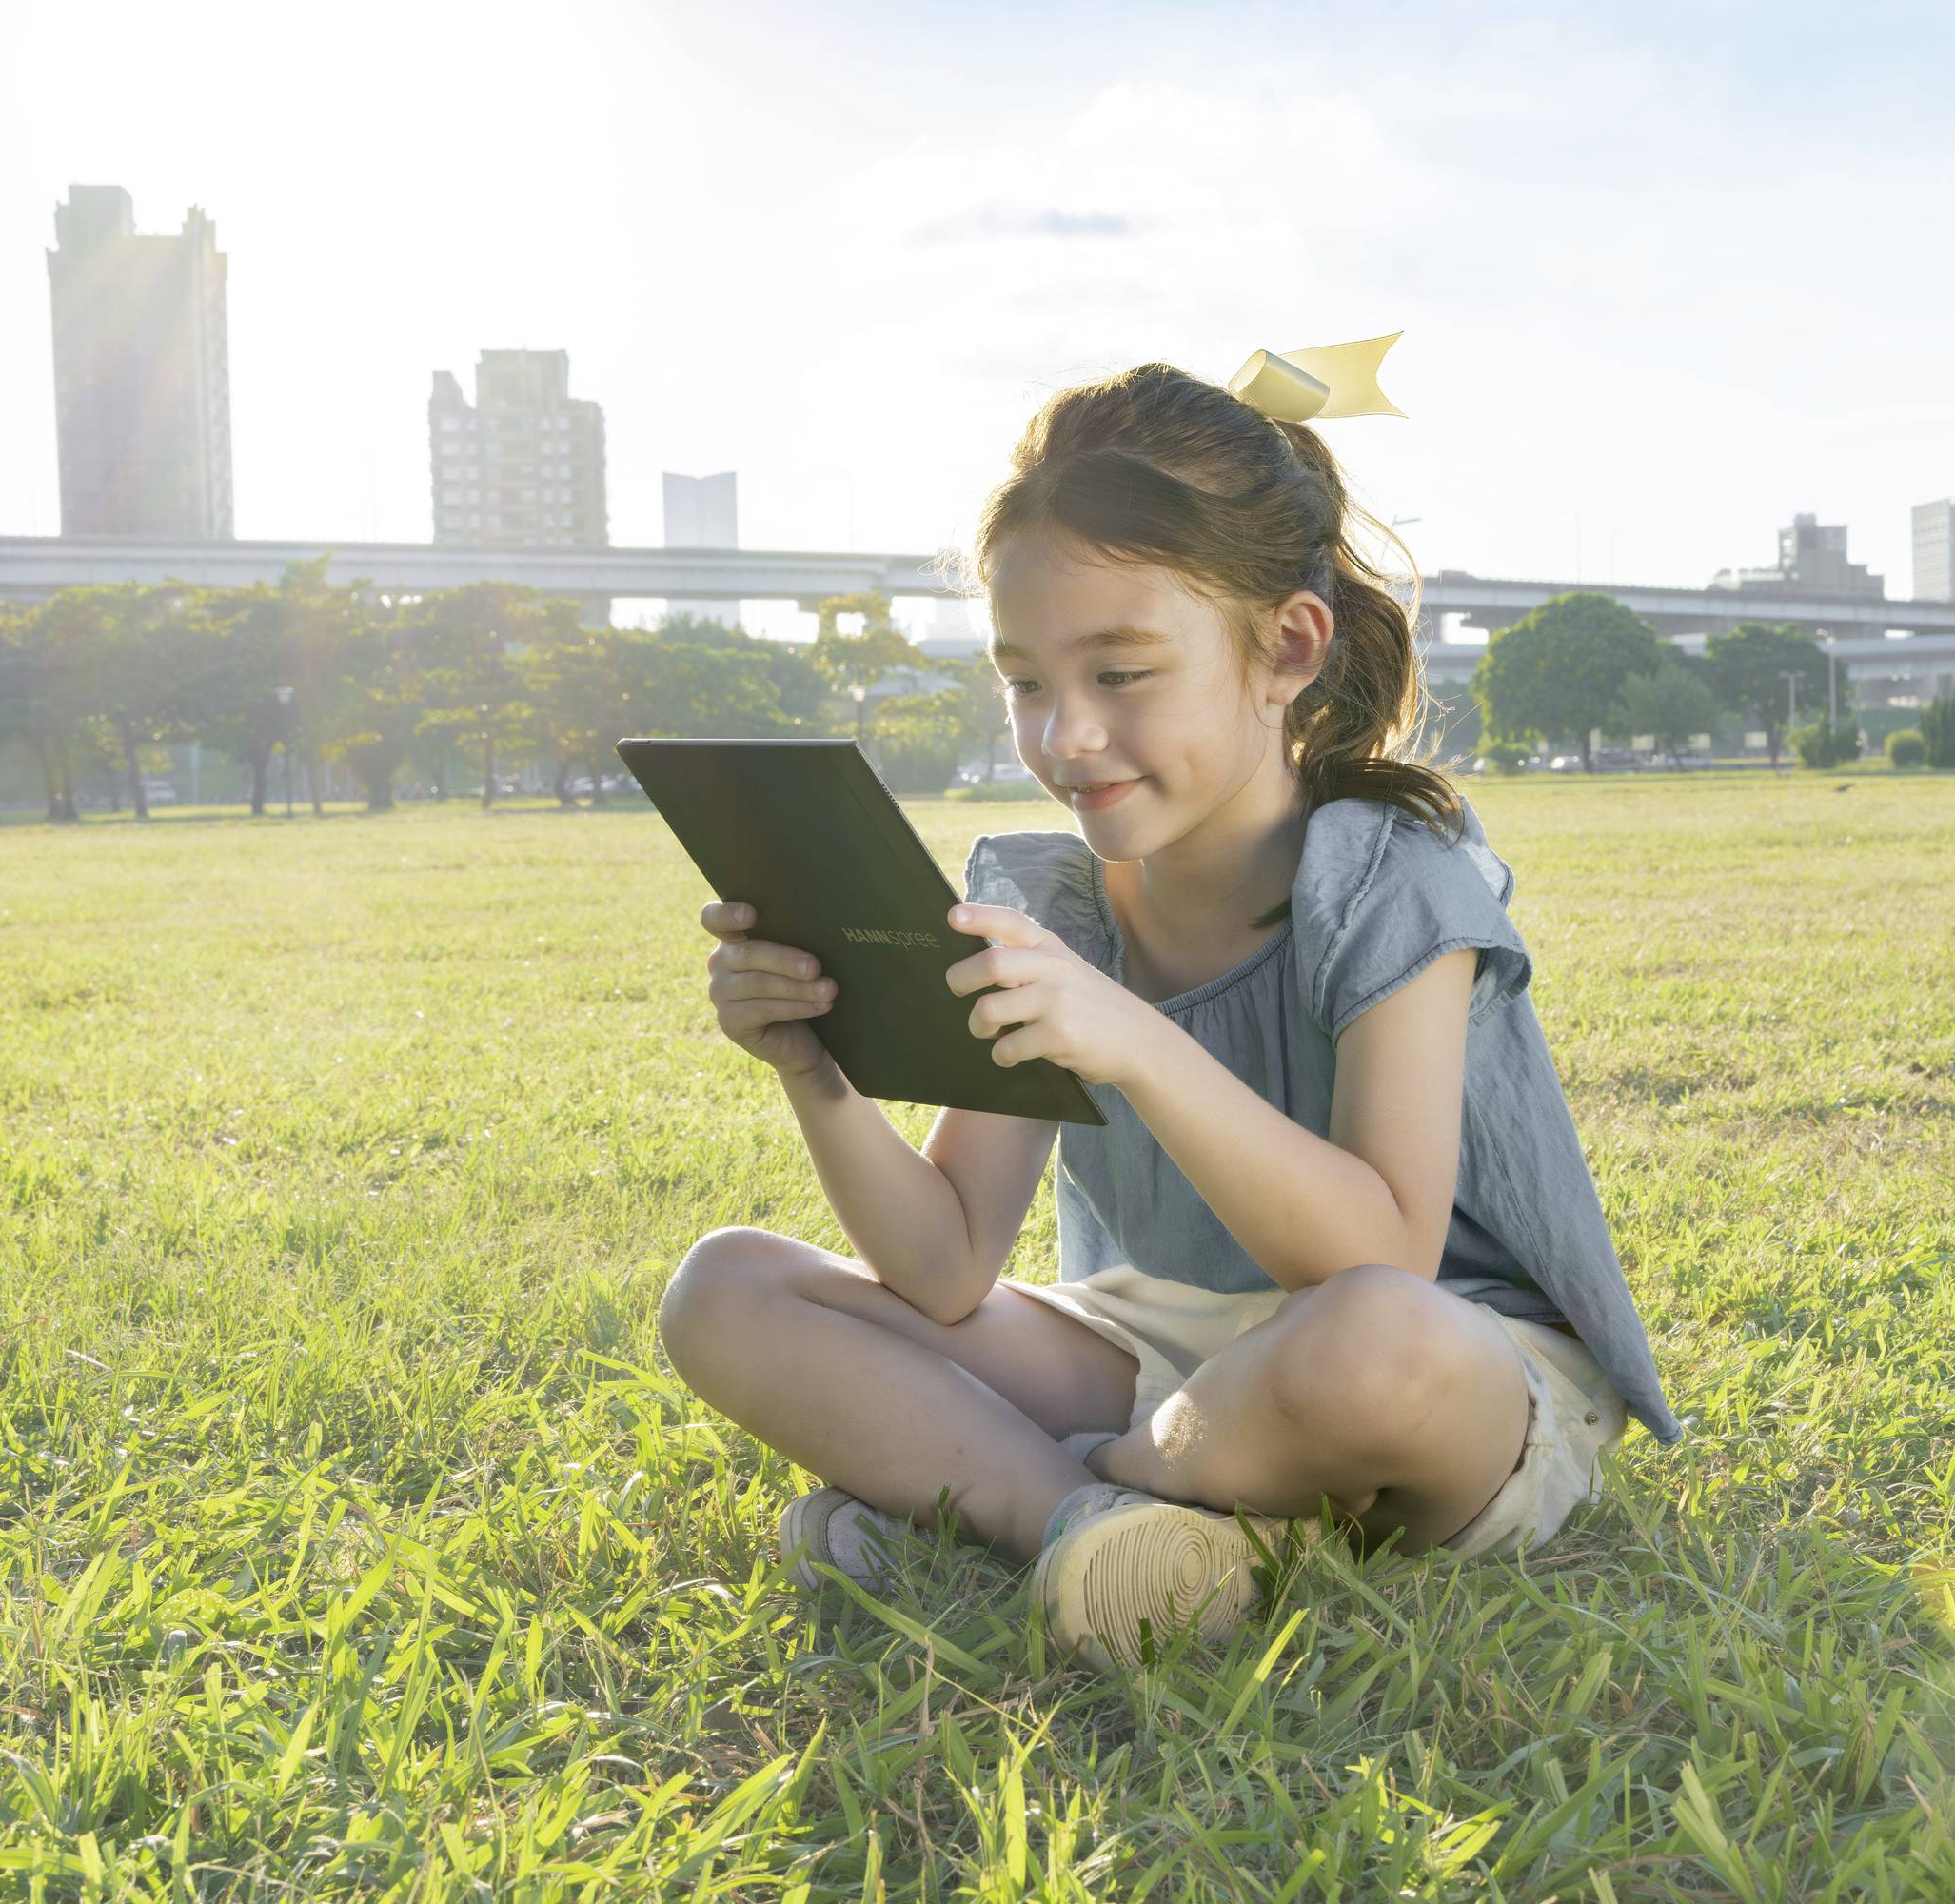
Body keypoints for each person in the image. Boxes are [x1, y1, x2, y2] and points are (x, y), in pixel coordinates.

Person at [656, 351, 1680, 1670]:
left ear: (1286, 649)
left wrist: (1133, 1041)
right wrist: (816, 1072)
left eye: (1121, 675)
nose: (1066, 735)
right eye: (1027, 682)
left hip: (1435, 1368)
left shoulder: (1390, 882)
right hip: (1159, 1348)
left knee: (1371, 1343)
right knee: (727, 1288)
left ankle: (1014, 1501)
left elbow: (1377, 1260)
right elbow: (946, 1265)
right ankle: (1082, 1521)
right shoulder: (1055, 902)